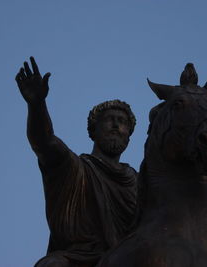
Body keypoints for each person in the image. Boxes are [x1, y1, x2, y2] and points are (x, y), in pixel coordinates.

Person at [15, 57, 138, 267]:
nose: (117, 125)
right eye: (110, 120)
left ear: (129, 135)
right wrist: (36, 104)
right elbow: (44, 142)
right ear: (93, 130)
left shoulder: (139, 182)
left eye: (123, 122)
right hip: (78, 259)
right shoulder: (74, 168)